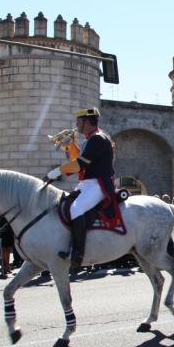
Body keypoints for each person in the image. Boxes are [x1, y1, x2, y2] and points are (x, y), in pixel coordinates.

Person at [47, 107, 116, 274]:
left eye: (78, 121)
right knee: (64, 205)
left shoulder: (98, 138)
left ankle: (77, 254)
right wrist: (70, 146)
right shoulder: (90, 139)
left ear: (86, 122)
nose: (76, 125)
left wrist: (58, 171)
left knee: (76, 209)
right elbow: (77, 161)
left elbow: (80, 165)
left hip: (98, 183)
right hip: (88, 183)